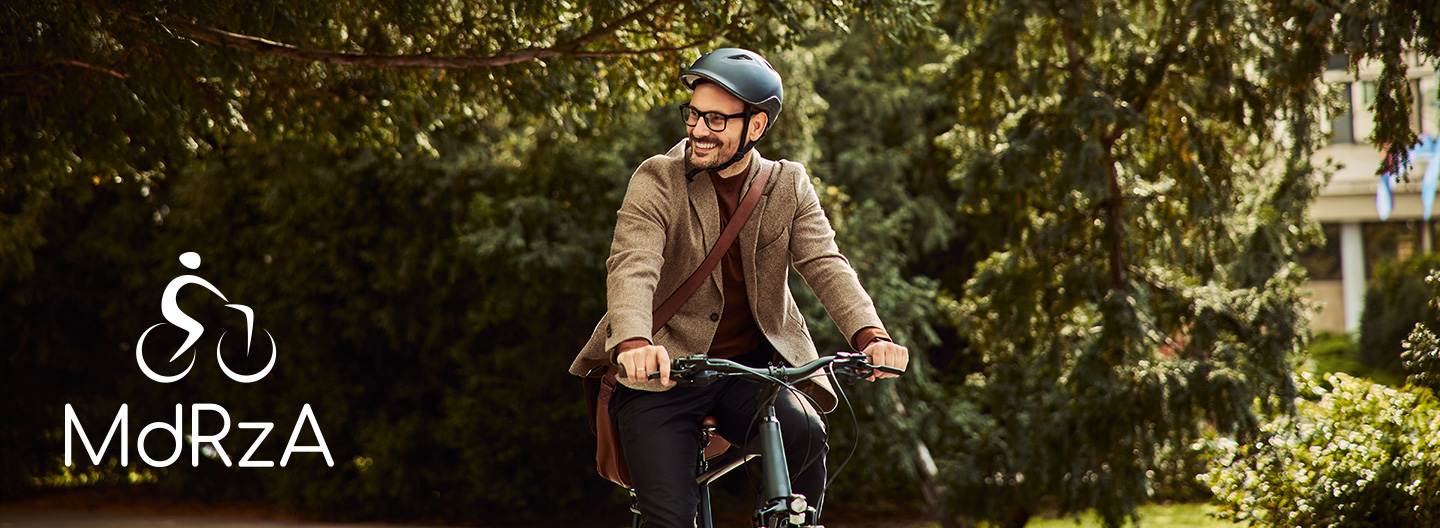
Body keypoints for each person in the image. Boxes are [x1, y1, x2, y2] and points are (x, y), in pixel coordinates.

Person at [568, 48, 909, 527]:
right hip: (663, 374)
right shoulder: (657, 179)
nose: (698, 129)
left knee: (805, 434)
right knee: (669, 517)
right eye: (693, 114)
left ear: (756, 125)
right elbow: (633, 264)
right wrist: (634, 342)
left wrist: (871, 336)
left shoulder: (788, 184)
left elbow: (825, 264)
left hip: (750, 374)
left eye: (716, 119)